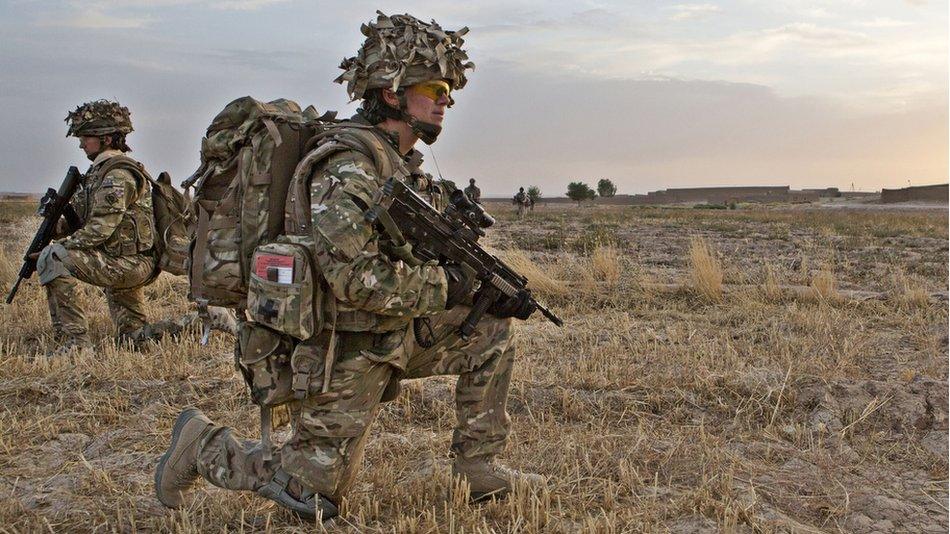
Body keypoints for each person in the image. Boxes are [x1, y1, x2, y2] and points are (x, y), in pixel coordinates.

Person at [155, 12, 542, 522]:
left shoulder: (400, 166)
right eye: (435, 87)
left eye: (449, 89)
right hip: (341, 348)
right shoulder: (349, 167)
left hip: (389, 333)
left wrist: (480, 291)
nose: (446, 100)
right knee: (311, 497)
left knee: (490, 330)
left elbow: (414, 263)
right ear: (391, 93)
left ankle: (478, 468)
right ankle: (201, 444)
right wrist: (447, 286)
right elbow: (353, 279)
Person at [36, 100, 158, 356]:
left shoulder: (117, 175)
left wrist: (59, 248)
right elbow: (76, 221)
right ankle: (203, 322)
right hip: (120, 259)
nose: (81, 144)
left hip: (128, 263)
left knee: (55, 257)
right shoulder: (98, 174)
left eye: (86, 137)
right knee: (134, 338)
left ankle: (77, 345)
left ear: (107, 138)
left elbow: (99, 230)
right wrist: (51, 220)